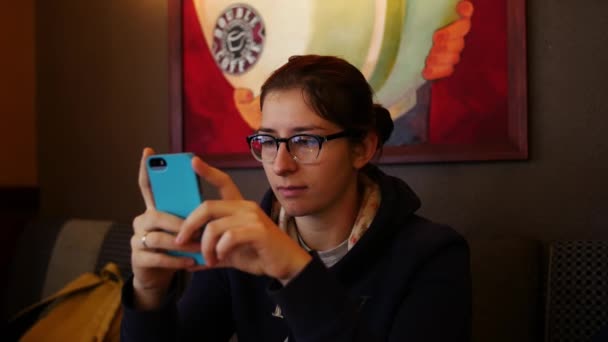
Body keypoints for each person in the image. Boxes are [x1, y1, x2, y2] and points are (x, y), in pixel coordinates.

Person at [121, 55, 471, 341]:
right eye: (268, 141)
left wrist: (294, 270)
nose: (281, 165)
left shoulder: (432, 255)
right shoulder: (238, 246)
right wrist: (148, 293)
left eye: (305, 141)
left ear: (362, 148)